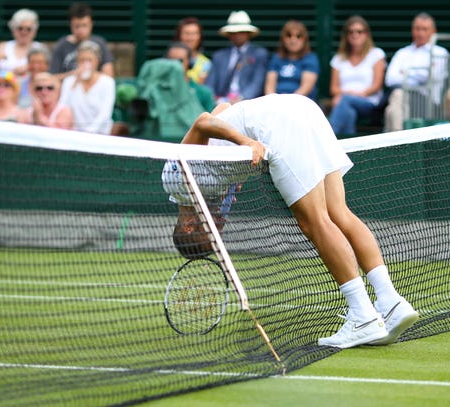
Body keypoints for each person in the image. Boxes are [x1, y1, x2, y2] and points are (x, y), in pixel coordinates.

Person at [162, 94, 419, 348]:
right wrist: (234, 164)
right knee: (338, 213)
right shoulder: (208, 194)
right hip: (302, 109)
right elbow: (225, 108)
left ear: (189, 226)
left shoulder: (176, 182)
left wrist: (245, 141)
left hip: (277, 127)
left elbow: (203, 121)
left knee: (314, 222)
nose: (220, 226)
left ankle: (363, 317)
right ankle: (390, 302)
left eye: (213, 232)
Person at [384, 12, 449, 132]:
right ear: (412, 30)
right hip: (403, 97)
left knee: (395, 101)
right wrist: (419, 75)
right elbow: (390, 79)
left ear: (433, 31)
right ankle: (399, 140)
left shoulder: (440, 53)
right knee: (392, 109)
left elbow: (431, 77)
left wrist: (406, 73)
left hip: (428, 103)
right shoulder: (402, 52)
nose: (420, 33)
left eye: (425, 29)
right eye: (417, 29)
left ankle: (396, 142)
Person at [327, 15, 386, 136]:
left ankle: (326, 138)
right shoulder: (338, 58)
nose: (355, 35)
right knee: (349, 112)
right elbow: (333, 88)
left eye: (359, 31)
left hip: (369, 102)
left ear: (366, 34)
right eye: (351, 32)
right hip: (345, 102)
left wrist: (351, 95)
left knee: (344, 101)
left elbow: (377, 86)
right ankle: (351, 151)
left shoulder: (376, 54)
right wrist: (345, 97)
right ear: (346, 35)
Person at [205, 10, 268, 104]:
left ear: (248, 33)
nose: (238, 35)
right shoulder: (219, 56)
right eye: (234, 32)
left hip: (247, 104)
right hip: (220, 103)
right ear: (229, 35)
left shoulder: (259, 54)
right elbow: (210, 84)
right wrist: (213, 100)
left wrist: (241, 99)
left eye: (242, 32)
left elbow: (257, 84)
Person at [59, 40, 115, 134]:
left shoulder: (107, 82)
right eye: (81, 60)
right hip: (74, 134)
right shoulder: (69, 82)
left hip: (101, 134)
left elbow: (105, 113)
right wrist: (75, 83)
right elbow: (63, 108)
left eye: (89, 60)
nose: (85, 64)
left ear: (97, 61)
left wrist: (89, 132)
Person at [50, 2, 114, 81]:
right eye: (77, 26)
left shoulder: (100, 43)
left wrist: (91, 75)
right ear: (70, 25)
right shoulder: (61, 45)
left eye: (84, 25)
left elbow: (108, 76)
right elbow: (52, 78)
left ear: (91, 24)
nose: (81, 30)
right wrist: (74, 74)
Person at [264, 19, 319, 101]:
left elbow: (306, 88)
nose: (293, 40)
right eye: (289, 35)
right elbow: (269, 86)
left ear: (304, 39)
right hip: (276, 103)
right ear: (283, 39)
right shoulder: (276, 58)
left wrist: (288, 104)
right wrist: (273, 102)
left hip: (301, 103)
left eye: (298, 36)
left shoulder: (310, 58)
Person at [0, 9, 41, 80]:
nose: (24, 32)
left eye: (28, 29)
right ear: (13, 29)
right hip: (4, 88)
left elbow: (44, 74)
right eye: (20, 28)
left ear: (34, 31)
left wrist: (30, 68)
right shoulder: (3, 46)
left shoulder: (39, 48)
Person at [166, 41, 215, 112]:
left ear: (190, 63)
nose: (175, 65)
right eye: (171, 60)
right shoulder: (156, 91)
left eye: (180, 61)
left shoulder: (204, 93)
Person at [173, 17, 212, 84]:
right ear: (179, 35)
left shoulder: (206, 64)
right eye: (186, 33)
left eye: (194, 33)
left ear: (200, 36)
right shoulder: (169, 60)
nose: (190, 38)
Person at [18, 43, 51, 108]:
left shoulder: (53, 85)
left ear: (47, 65)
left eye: (40, 62)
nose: (35, 66)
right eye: (32, 62)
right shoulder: (20, 84)